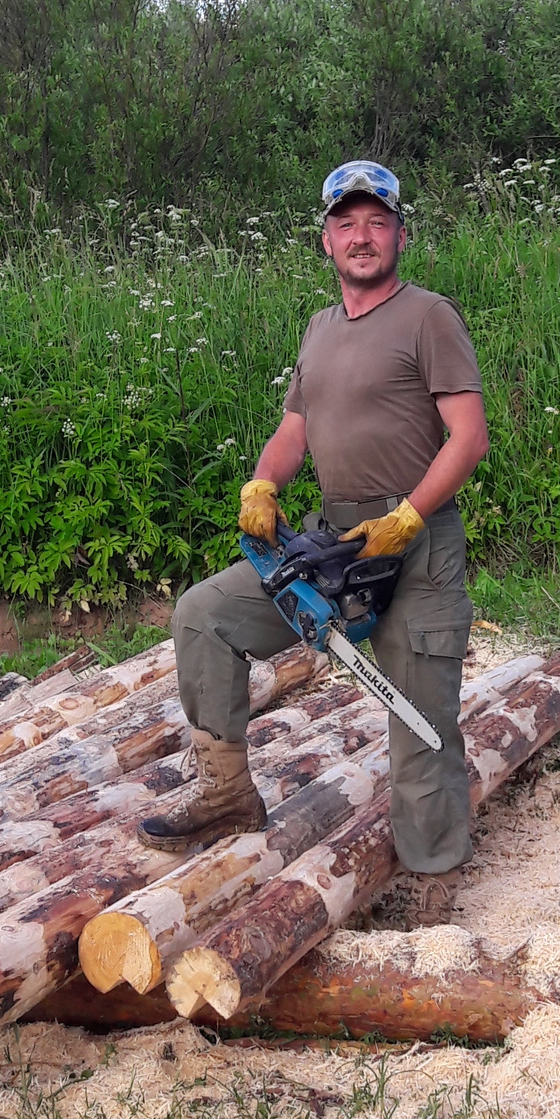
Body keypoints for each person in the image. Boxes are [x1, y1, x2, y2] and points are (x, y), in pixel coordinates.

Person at [144, 159, 490, 918]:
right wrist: (263, 483)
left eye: (376, 221)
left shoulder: (429, 316)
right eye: (346, 223)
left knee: (418, 720)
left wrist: (409, 514)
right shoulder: (320, 328)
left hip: (416, 545)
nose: (361, 236)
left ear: (401, 232)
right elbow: (293, 431)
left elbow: (468, 437)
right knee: (203, 614)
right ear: (325, 240)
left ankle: (436, 889)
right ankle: (227, 794)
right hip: (332, 541)